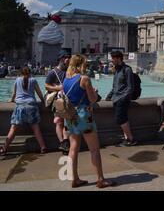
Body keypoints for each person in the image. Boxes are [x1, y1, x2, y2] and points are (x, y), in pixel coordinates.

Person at [63, 55, 115, 188]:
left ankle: (74, 179)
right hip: (84, 116)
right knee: (94, 149)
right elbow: (92, 99)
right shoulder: (84, 78)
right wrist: (95, 93)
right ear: (81, 64)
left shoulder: (66, 79)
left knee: (73, 149)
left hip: (70, 116)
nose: (86, 66)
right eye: (85, 64)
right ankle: (101, 179)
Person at [0, 67, 47, 155]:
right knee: (36, 128)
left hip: (20, 106)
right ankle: (43, 147)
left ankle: (4, 148)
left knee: (13, 129)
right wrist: (43, 100)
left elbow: (14, 93)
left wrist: (11, 100)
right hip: (31, 106)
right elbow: (39, 93)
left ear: (20, 73)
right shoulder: (33, 80)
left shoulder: (17, 80)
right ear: (30, 73)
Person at [106, 51, 137, 146]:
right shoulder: (117, 70)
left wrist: (123, 98)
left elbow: (130, 87)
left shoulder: (127, 69)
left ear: (118, 58)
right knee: (123, 119)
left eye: (113, 58)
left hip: (122, 99)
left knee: (120, 119)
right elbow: (115, 86)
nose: (111, 60)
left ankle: (131, 139)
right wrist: (109, 96)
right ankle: (127, 139)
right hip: (116, 98)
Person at [45, 50, 71, 153]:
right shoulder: (53, 72)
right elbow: (46, 86)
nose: (68, 60)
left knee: (67, 123)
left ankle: (65, 141)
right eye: (66, 58)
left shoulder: (69, 72)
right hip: (58, 100)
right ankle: (62, 142)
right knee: (59, 122)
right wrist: (58, 88)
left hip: (68, 100)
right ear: (61, 59)